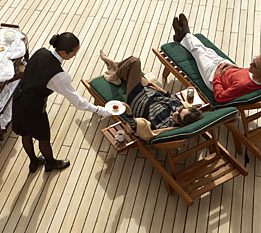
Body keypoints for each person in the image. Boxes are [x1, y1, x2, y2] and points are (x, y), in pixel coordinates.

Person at [12, 32, 112, 173]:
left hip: (18, 99)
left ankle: (33, 162)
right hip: (34, 108)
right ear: (64, 53)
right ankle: (51, 163)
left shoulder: (40, 51)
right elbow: (78, 102)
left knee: (25, 135)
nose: (74, 56)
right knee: (43, 138)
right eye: (74, 53)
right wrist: (99, 110)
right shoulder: (59, 76)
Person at [172, 13, 261, 103]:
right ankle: (184, 37)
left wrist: (217, 75)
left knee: (199, 52)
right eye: (253, 61)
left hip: (214, 78)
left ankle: (185, 35)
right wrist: (233, 67)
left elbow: (220, 97)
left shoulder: (242, 85)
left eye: (254, 65)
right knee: (208, 51)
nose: (250, 64)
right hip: (229, 68)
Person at [100, 52, 203, 140]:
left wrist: (129, 112)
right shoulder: (180, 109)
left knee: (134, 61)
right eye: (180, 110)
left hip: (137, 98)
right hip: (151, 91)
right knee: (131, 69)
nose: (176, 112)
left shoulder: (162, 126)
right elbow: (170, 98)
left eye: (178, 117)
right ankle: (115, 67)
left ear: (182, 124)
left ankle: (114, 73)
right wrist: (160, 90)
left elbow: (135, 126)